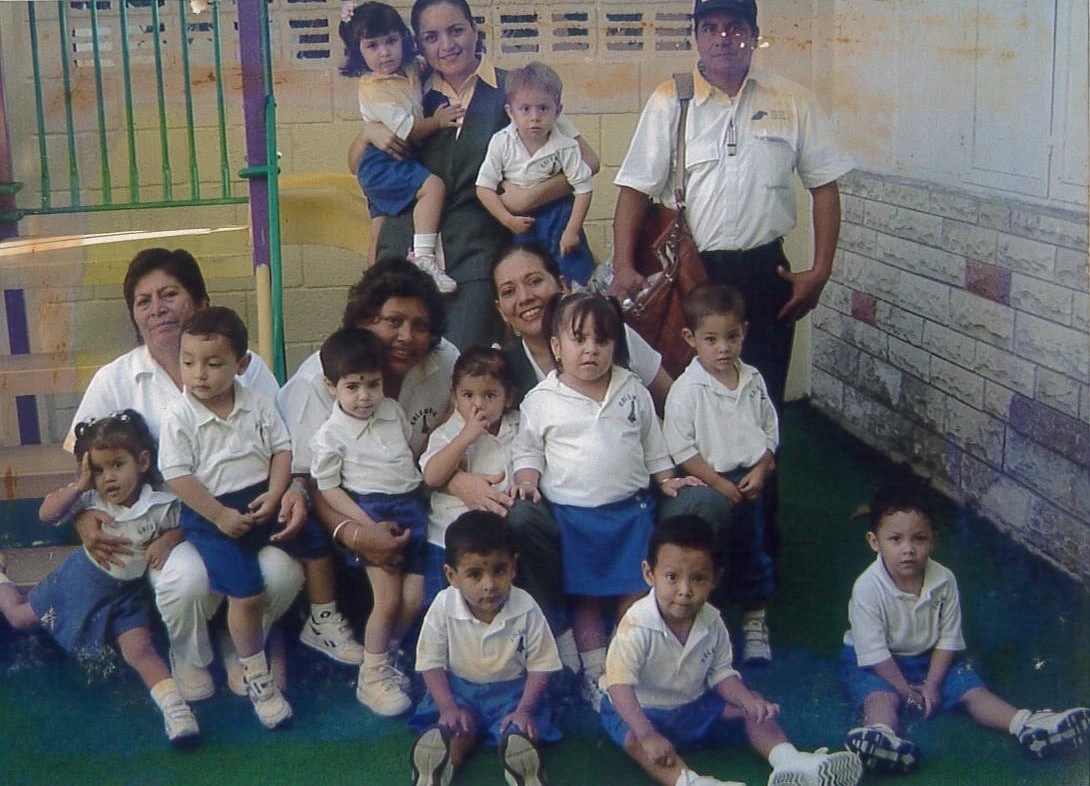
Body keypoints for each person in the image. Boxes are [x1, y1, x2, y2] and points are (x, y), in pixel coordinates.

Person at [64, 247, 304, 703]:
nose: (157, 309)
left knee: (282, 571)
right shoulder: (116, 379)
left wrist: (290, 489)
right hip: (170, 527)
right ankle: (190, 653)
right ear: (133, 316)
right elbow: (81, 465)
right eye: (143, 300)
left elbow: (284, 445)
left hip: (250, 515)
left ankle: (242, 643)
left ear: (199, 301)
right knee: (185, 581)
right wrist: (82, 515)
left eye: (169, 294)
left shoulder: (247, 367)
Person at [609, 0, 854, 415]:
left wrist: (821, 270)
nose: (724, 38)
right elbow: (634, 190)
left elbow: (825, 187)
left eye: (736, 27)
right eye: (711, 28)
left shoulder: (793, 100)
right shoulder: (672, 100)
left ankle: (764, 479)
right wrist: (623, 268)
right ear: (697, 38)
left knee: (763, 404)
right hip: (692, 276)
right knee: (693, 406)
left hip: (765, 275)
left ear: (755, 36)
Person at [358, 0, 599, 350]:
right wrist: (366, 133)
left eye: (455, 30)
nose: (446, 45)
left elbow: (587, 160)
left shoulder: (515, 90)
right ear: (419, 44)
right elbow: (364, 169)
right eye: (431, 36)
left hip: (477, 253)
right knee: (395, 365)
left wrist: (529, 198)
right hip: (404, 250)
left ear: (474, 29)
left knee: (466, 363)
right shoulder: (404, 90)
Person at [511, 292, 701, 710]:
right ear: (557, 347)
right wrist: (526, 478)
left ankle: (625, 669)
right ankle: (595, 675)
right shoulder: (542, 400)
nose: (591, 350)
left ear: (616, 345)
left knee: (634, 594)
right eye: (579, 340)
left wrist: (667, 479)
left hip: (631, 514)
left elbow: (652, 443)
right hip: (575, 519)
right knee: (588, 599)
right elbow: (527, 450)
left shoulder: (632, 389)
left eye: (602, 340)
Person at [840, 483, 1090, 774]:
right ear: (875, 541)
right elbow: (875, 652)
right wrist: (906, 692)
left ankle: (1028, 724)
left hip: (927, 658)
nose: (908, 549)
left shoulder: (944, 580)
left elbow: (948, 639)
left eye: (918, 539)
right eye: (895, 539)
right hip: (874, 663)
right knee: (881, 697)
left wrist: (932, 686)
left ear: (933, 540)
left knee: (971, 690)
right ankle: (881, 736)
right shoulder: (867, 588)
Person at [601, 515, 863, 786]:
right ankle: (691, 782)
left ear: (715, 579)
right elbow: (619, 687)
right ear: (649, 573)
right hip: (643, 711)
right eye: (672, 577)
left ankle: (790, 761)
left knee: (753, 706)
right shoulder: (635, 626)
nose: (685, 590)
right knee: (636, 742)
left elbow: (722, 675)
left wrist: (747, 701)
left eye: (699, 579)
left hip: (695, 705)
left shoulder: (712, 622)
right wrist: (647, 734)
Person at [0, 411, 199, 746]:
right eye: (98, 470)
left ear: (143, 461)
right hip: (79, 582)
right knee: (21, 618)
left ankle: (176, 710)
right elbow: (47, 514)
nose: (109, 478)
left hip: (126, 595)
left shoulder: (160, 504)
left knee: (140, 649)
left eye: (117, 465)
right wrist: (80, 486)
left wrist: (168, 540)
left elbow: (190, 523)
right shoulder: (91, 499)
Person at [158, 307, 299, 729]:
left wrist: (275, 494)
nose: (198, 374)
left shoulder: (256, 403)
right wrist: (218, 515)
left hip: (260, 502)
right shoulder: (179, 416)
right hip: (211, 514)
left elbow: (282, 450)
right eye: (188, 362)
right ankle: (257, 672)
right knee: (247, 591)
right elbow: (178, 475)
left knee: (314, 550)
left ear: (241, 364)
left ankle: (315, 627)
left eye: (213, 363)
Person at [277, 259, 458, 580]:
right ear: (362, 322)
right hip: (345, 515)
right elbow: (311, 481)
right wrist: (355, 535)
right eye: (393, 321)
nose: (406, 336)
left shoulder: (445, 362)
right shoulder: (316, 380)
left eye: (419, 326)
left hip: (415, 509)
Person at [309, 326, 428, 717]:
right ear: (331, 386)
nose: (364, 397)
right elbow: (328, 489)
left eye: (373, 385)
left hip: (410, 507)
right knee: (389, 598)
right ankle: (371, 676)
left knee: (413, 597)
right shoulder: (330, 435)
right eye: (353, 386)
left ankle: (388, 655)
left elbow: (408, 453)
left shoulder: (391, 411)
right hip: (371, 511)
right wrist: (364, 525)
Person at [663, 283, 778, 665]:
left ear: (744, 331)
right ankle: (708, 623)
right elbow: (681, 448)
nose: (723, 348)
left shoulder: (753, 380)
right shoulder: (687, 389)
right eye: (710, 339)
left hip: (749, 482)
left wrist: (761, 469)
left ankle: (755, 619)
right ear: (690, 338)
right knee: (709, 553)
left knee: (753, 548)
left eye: (731, 337)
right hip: (710, 480)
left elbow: (769, 432)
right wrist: (715, 482)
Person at [409, 511, 561, 786]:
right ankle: (438, 770)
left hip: (511, 694)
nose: (489, 585)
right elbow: (430, 663)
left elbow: (541, 666)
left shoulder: (526, 606)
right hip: (458, 692)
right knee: (457, 730)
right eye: (475, 575)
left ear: (513, 567)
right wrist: (448, 708)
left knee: (518, 729)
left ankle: (522, 769)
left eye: (499, 570)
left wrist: (524, 709)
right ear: (452, 575)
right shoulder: (443, 606)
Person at [340, 1, 461, 290]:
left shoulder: (408, 69)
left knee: (378, 229)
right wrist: (439, 121)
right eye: (372, 46)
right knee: (433, 187)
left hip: (384, 159)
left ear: (403, 39)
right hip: (384, 161)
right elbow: (407, 131)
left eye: (391, 41)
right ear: (358, 52)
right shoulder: (375, 88)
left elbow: (417, 72)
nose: (385, 52)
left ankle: (371, 286)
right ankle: (423, 256)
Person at [476, 62, 595, 286]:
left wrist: (572, 229)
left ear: (558, 111)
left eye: (543, 108)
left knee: (573, 273)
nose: (535, 117)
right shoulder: (502, 142)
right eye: (525, 109)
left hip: (561, 215)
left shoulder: (565, 145)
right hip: (524, 223)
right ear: (510, 111)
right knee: (530, 274)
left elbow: (584, 188)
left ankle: (575, 309)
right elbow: (483, 187)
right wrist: (507, 219)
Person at [418, 347, 519, 605]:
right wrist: (466, 437)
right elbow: (432, 476)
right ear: (454, 397)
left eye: (489, 395)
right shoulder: (448, 432)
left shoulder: (518, 426)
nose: (478, 404)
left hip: (496, 542)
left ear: (508, 398)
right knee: (443, 606)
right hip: (446, 538)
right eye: (468, 395)